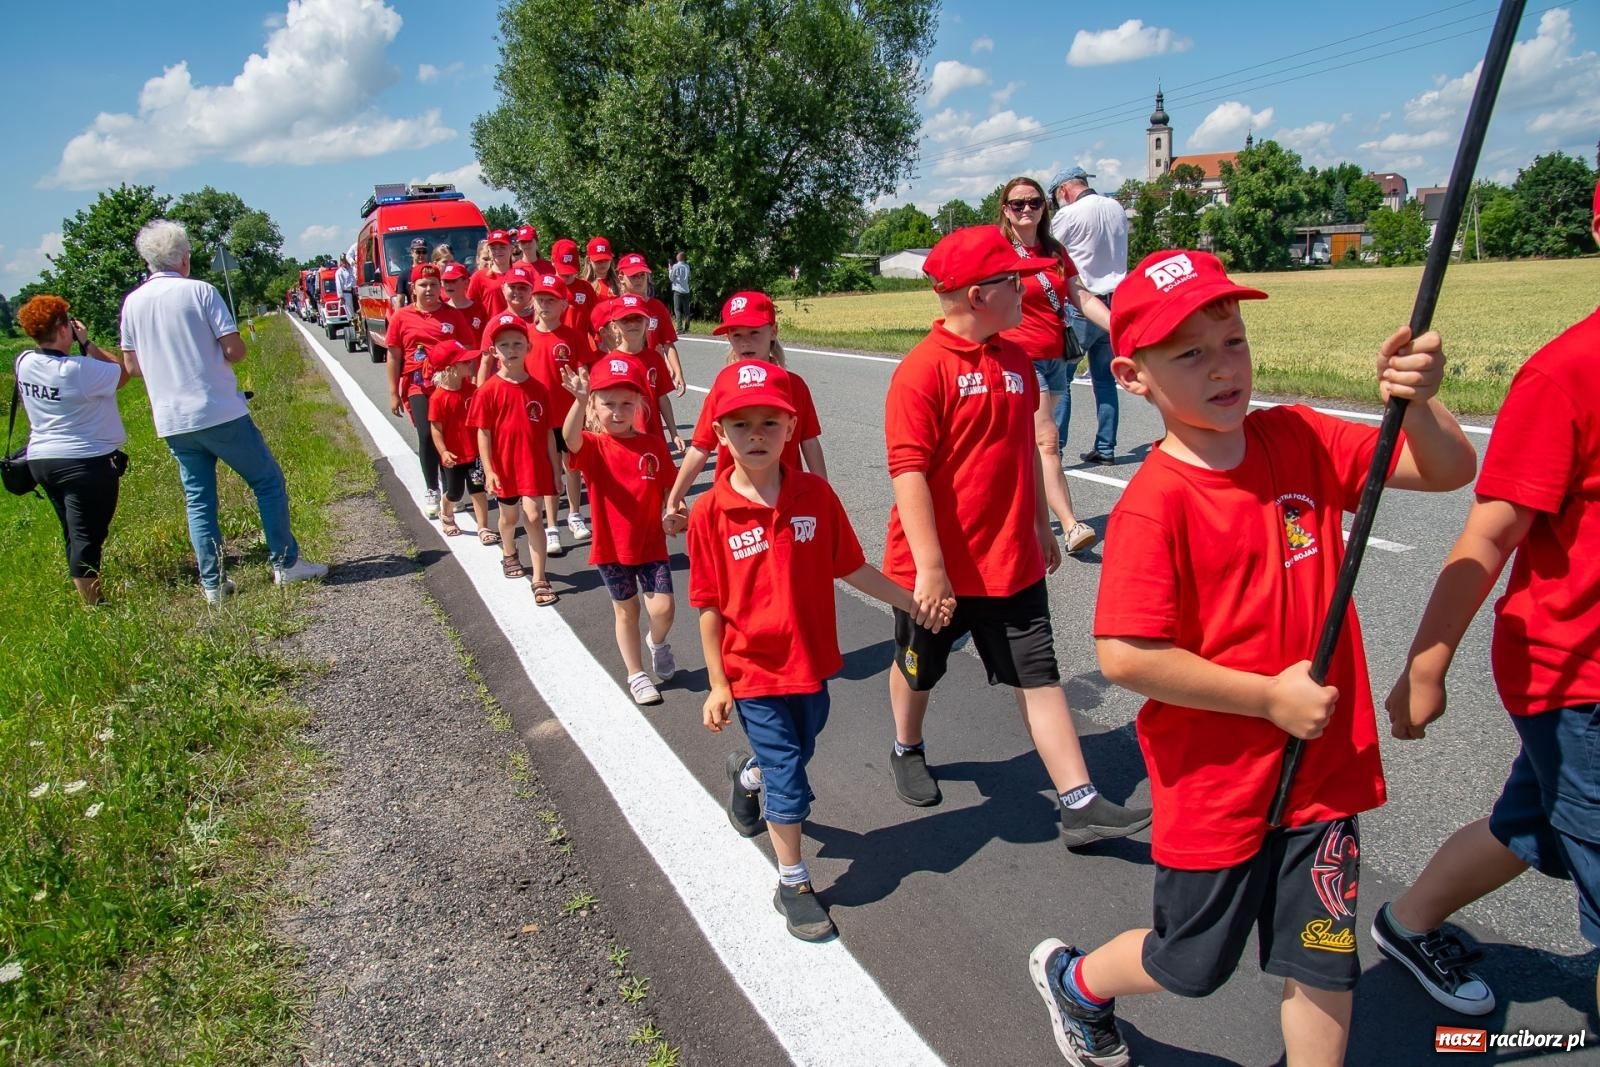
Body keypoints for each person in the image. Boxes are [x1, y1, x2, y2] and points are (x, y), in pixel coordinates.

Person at [1027, 249, 1476, 1067]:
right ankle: (1079, 978)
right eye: (1188, 354)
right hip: (1218, 787)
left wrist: (1420, 400)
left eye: (1231, 339)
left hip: (1322, 777)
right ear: (1132, 375)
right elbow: (1125, 653)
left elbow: (1448, 471)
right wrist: (1266, 698)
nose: (1221, 367)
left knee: (1322, 958)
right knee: (1188, 963)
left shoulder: (1298, 435)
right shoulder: (1156, 504)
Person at [1375, 183, 1600, 1020]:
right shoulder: (1568, 373)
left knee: (1534, 821)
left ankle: (1407, 917)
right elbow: (1487, 534)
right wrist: (1424, 665)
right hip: (1578, 677)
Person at [688, 358, 953, 942]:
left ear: (791, 426)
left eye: (768, 423)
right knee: (791, 777)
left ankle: (748, 775)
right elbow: (707, 602)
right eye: (739, 425)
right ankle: (793, 881)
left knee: (797, 751)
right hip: (751, 668)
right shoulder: (709, 512)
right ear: (719, 433)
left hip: (810, 663)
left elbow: (851, 567)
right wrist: (717, 681)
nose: (755, 435)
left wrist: (910, 602)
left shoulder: (815, 494)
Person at [120, 220, 327, 602]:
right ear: (183, 257)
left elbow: (132, 368)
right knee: (266, 481)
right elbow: (235, 350)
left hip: (171, 418)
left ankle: (213, 583)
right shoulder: (200, 291)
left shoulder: (132, 303)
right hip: (217, 409)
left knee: (198, 499)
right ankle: (286, 562)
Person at [996, 176, 1108, 556]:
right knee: (1047, 442)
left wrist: (1125, 326)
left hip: (1055, 359)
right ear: (1005, 210)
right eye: (1017, 204)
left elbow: (1080, 295)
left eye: (1034, 202)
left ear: (1045, 207)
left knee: (1029, 445)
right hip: (1017, 360)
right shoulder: (1000, 251)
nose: (1026, 209)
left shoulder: (1055, 251)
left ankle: (1020, 516)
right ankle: (1071, 524)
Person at [561, 356, 678, 706]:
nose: (617, 411)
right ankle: (636, 674)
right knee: (626, 611)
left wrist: (676, 511)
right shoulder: (594, 446)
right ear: (594, 408)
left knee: (663, 610)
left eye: (626, 403)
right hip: (612, 548)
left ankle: (657, 642)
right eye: (607, 403)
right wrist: (578, 401)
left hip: (651, 544)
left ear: (640, 406)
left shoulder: (653, 446)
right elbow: (569, 440)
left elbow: (671, 491)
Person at [663, 291, 825, 522]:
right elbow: (700, 446)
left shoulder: (794, 385)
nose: (745, 342)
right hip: (734, 505)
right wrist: (675, 497)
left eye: (754, 333)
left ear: (773, 331)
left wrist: (824, 493)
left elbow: (809, 441)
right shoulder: (724, 385)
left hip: (786, 500)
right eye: (736, 334)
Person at [15, 296, 129, 606]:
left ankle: (88, 595)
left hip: (42, 460)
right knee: (87, 537)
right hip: (83, 463)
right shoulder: (78, 369)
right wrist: (88, 342)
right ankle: (94, 607)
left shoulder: (24, 361)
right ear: (64, 328)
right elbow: (123, 373)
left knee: (72, 530)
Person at [470, 313, 558, 606]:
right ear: (494, 351)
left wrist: (555, 470)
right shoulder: (489, 391)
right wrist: (490, 471)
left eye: (517, 343)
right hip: (505, 467)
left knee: (533, 516)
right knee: (508, 518)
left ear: (528, 347)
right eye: (504, 344)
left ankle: (540, 577)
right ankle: (509, 551)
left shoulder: (539, 389)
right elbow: (483, 434)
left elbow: (548, 433)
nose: (511, 350)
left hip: (532, 465)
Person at [1049, 166, 1129, 467]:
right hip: (1114, 303)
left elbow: (1049, 251)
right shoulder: (1116, 207)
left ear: (1064, 191)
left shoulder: (1069, 215)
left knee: (1063, 379)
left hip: (1082, 302)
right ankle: (1105, 446)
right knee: (1105, 380)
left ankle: (1055, 447)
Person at [387, 263, 473, 519]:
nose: (429, 289)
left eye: (434, 284)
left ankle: (451, 490)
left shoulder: (452, 315)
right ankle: (432, 488)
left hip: (449, 384)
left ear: (440, 288)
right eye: (423, 285)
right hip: (417, 383)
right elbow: (393, 355)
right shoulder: (402, 317)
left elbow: (467, 346)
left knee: (448, 435)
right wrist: (393, 392)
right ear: (413, 289)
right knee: (426, 435)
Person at [523, 270, 597, 558]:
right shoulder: (525, 337)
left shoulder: (573, 337)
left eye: (551, 300)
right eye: (540, 299)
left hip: (568, 414)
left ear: (563, 305)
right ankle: (552, 526)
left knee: (573, 466)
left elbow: (583, 371)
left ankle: (575, 514)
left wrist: (586, 401)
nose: (545, 305)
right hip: (539, 417)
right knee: (549, 472)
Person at [594, 295, 684, 453]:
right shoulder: (607, 364)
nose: (632, 324)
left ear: (647, 323)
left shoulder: (655, 359)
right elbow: (599, 406)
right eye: (625, 320)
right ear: (614, 326)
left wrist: (674, 433)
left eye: (638, 319)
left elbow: (662, 398)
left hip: (653, 434)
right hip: (622, 437)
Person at [424, 340, 492, 542]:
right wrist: (443, 451)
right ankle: (446, 514)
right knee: (454, 492)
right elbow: (436, 430)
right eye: (464, 362)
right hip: (453, 455)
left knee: (478, 490)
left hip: (474, 453)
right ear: (450, 368)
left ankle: (483, 528)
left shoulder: (471, 391)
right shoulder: (439, 398)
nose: (470, 364)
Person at [616, 253, 686, 393]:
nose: (639, 280)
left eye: (642, 275)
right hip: (624, 371)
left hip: (651, 371)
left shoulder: (657, 307)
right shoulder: (615, 307)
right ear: (621, 278)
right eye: (633, 276)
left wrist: (678, 372)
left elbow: (668, 343)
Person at [550, 238, 600, 342]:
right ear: (552, 261)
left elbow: (595, 320)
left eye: (571, 271)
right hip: (554, 347)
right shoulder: (546, 287)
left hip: (580, 349)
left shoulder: (585, 287)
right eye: (563, 272)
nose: (567, 275)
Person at [470, 230, 516, 318]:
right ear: (489, 251)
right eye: (493, 248)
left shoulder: (519, 274)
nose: (497, 251)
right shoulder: (479, 276)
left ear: (511, 248)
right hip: (490, 328)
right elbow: (471, 307)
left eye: (502, 247)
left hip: (515, 328)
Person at [394, 237, 430, 311]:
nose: (421, 255)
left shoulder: (432, 272)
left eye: (424, 252)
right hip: (414, 314)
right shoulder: (404, 275)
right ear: (412, 253)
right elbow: (400, 301)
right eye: (418, 252)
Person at [668, 252, 692, 334]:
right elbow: (688, 276)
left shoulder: (675, 266)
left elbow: (671, 278)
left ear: (679, 257)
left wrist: (670, 270)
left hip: (678, 290)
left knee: (677, 310)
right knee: (686, 310)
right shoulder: (687, 266)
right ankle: (687, 328)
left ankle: (679, 328)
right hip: (686, 290)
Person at [335, 253, 357, 323]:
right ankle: (353, 324)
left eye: (345, 260)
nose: (344, 262)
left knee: (358, 308)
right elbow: (339, 285)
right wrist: (341, 297)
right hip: (346, 293)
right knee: (350, 312)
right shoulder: (339, 272)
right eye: (342, 261)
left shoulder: (352, 269)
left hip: (355, 291)